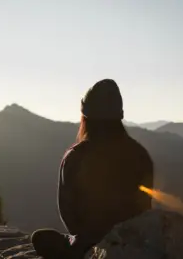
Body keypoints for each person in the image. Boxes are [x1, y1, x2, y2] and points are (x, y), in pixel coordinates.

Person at [31, 79, 154, 259]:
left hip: (89, 246)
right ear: (119, 115)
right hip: (134, 243)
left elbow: (69, 215)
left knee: (41, 238)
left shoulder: (75, 157)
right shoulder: (141, 155)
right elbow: (145, 208)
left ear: (86, 117)